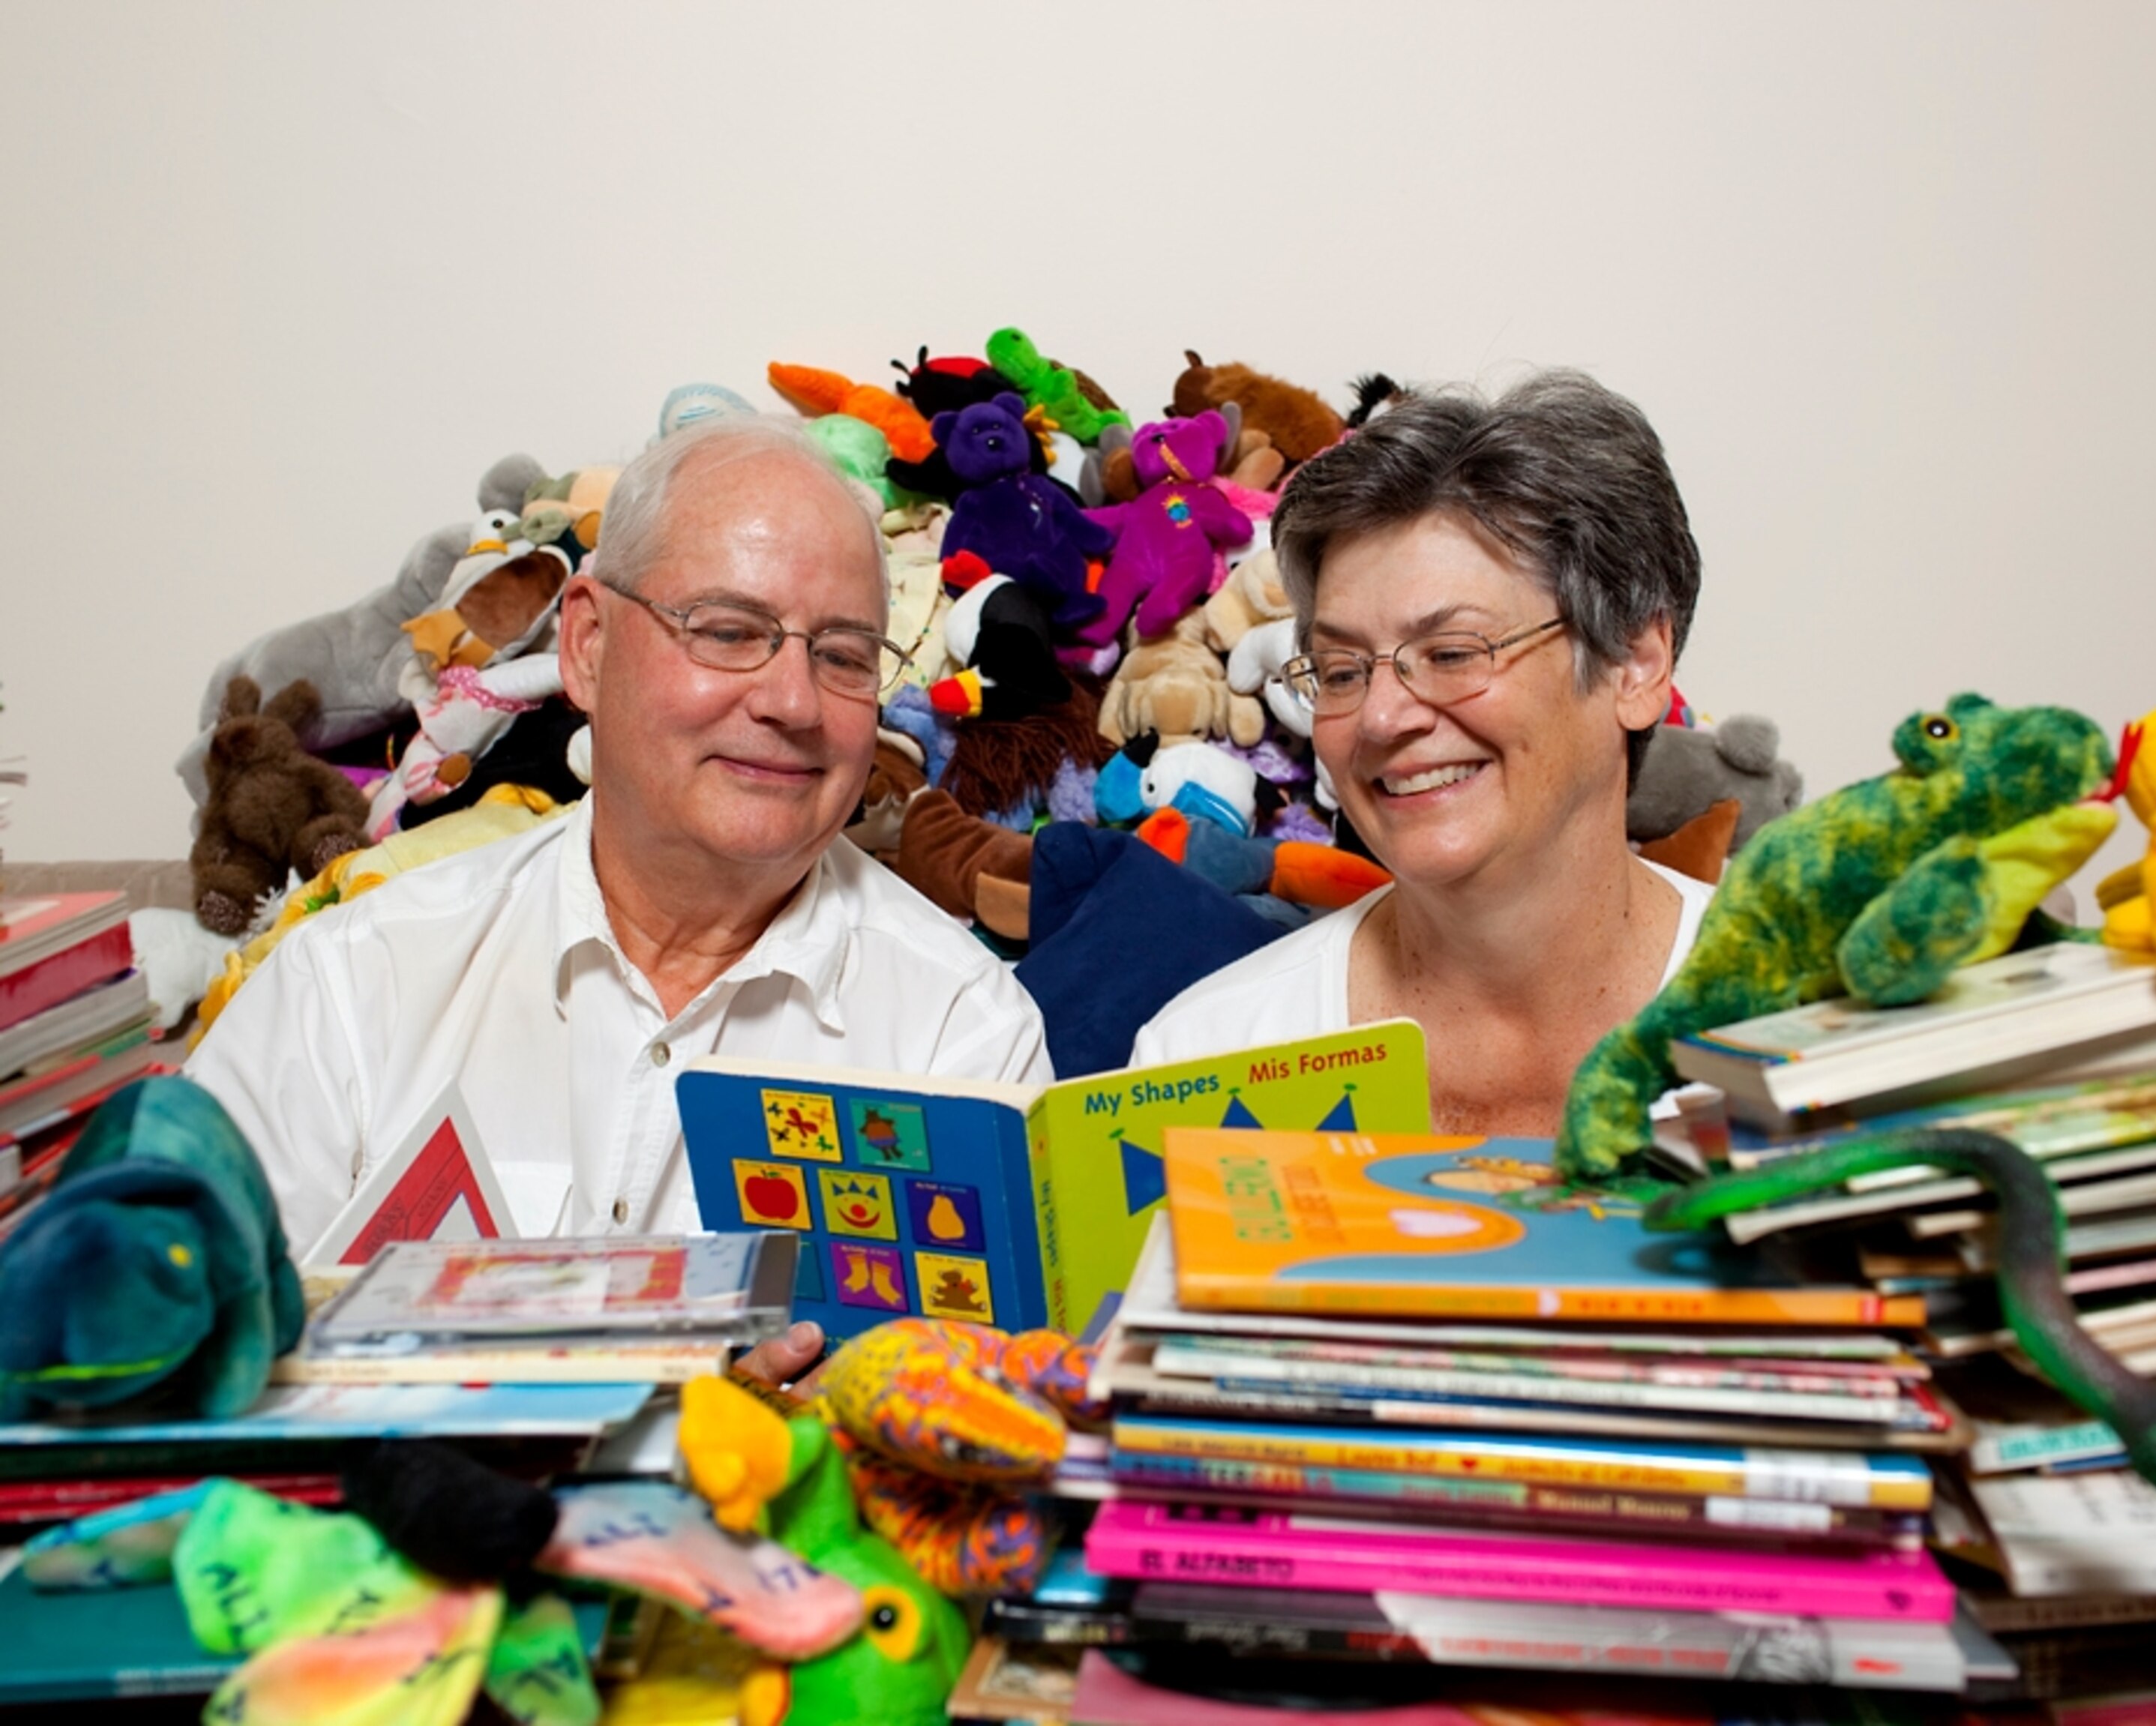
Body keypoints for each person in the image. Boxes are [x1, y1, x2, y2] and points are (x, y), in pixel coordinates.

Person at [188, 418, 1052, 1300]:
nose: (793, 701)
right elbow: (162, 1341)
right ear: (588, 647)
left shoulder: (963, 1033)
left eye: (843, 655)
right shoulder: (351, 984)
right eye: (727, 630)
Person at [1132, 372, 1711, 1139]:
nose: (1380, 716)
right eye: (1341, 671)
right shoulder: (1204, 1066)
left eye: (1452, 651)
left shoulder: (1828, 1023)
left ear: (1634, 664)